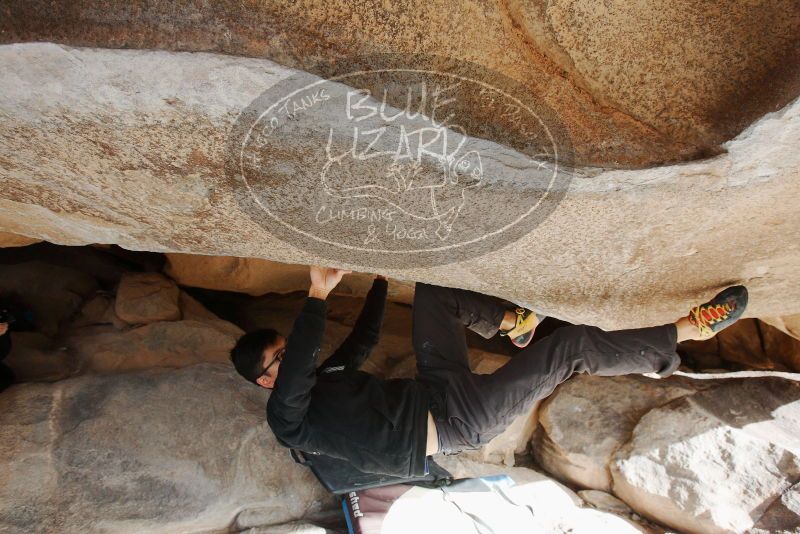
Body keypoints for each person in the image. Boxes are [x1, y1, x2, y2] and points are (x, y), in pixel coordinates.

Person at [230, 266, 748, 477]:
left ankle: (513, 324)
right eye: (282, 355)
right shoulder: (288, 421)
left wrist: (383, 275)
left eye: (286, 347)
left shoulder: (324, 378)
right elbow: (299, 367)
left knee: (430, 292)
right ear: (266, 381)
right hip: (459, 421)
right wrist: (317, 294)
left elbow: (362, 339)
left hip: (435, 387)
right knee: (569, 346)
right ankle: (686, 333)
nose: (294, 355)